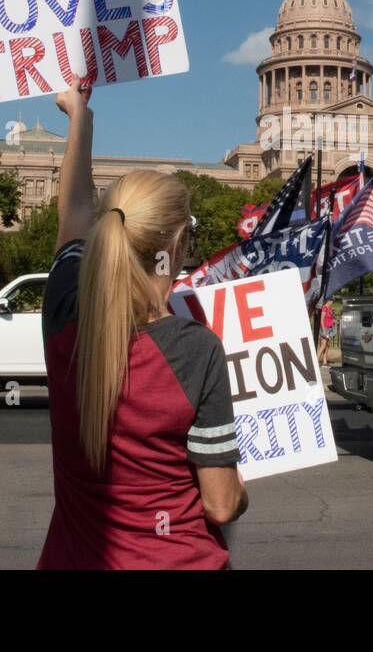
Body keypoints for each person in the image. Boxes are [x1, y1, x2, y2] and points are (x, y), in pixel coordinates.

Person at [38, 80, 247, 569]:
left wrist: (79, 120)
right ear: (176, 245)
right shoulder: (195, 350)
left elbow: (72, 215)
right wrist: (241, 493)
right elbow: (220, 504)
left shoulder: (62, 315)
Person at [317, 299, 336, 365]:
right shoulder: (324, 308)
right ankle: (316, 360)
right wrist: (324, 331)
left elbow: (331, 319)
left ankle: (324, 361)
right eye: (331, 300)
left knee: (327, 345)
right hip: (325, 328)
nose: (332, 302)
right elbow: (322, 320)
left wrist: (334, 321)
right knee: (323, 345)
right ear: (328, 301)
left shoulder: (330, 309)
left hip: (330, 328)